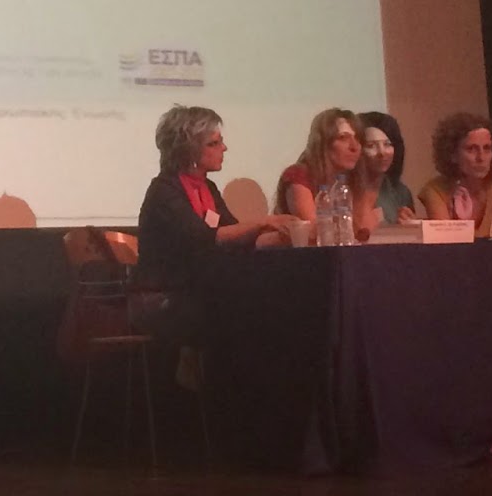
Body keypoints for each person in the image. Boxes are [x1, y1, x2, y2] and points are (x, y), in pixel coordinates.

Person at [136, 105, 291, 338]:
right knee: (246, 309)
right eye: (214, 143)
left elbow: (234, 233)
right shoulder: (164, 191)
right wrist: (263, 222)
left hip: (196, 289)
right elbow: (204, 237)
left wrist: (286, 234)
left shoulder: (207, 187)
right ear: (189, 150)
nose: (224, 148)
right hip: (163, 297)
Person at [417, 110, 492, 236]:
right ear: (452, 154)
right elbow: (445, 241)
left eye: (487, 148)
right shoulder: (435, 190)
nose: (481, 157)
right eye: (471, 149)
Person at [273, 107, 364, 225]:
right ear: (323, 143)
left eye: (358, 138)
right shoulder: (298, 174)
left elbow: (364, 228)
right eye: (343, 138)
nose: (354, 147)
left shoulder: (352, 180)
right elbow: (317, 229)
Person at [359, 110, 418, 228]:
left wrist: (411, 226)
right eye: (371, 146)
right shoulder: (343, 191)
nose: (382, 153)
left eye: (387, 144)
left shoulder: (400, 192)